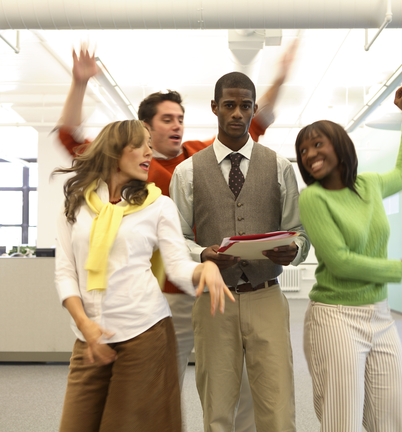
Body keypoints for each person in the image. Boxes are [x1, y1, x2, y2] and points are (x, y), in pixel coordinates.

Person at [56, 41, 299, 432]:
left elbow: (254, 122)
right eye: (168, 119)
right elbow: (70, 138)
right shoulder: (132, 168)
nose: (177, 125)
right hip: (164, 296)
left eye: (181, 118)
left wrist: (281, 77)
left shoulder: (196, 157)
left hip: (206, 286)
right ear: (146, 129)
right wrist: (79, 83)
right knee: (165, 387)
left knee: (240, 389)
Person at [52, 119, 234, 432]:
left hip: (144, 333)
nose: (150, 152)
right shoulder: (77, 205)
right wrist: (85, 325)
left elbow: (177, 267)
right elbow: (65, 272)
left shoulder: (159, 205)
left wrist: (204, 267)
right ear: (116, 150)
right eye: (142, 144)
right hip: (89, 337)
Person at [169, 71, 310, 432]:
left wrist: (291, 249)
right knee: (217, 405)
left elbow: (299, 232)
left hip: (267, 297)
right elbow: (176, 238)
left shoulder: (279, 167)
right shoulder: (186, 173)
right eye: (229, 105)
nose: (237, 113)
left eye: (245, 106)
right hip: (214, 301)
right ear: (215, 107)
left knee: (277, 404)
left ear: (254, 109)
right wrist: (203, 254)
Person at [295, 86, 402, 432]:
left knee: (393, 419)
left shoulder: (370, 185)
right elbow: (340, 261)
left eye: (318, 143)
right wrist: (399, 268)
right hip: (336, 316)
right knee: (342, 420)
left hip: (381, 315)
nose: (309, 153)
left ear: (340, 145)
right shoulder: (313, 199)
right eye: (303, 149)